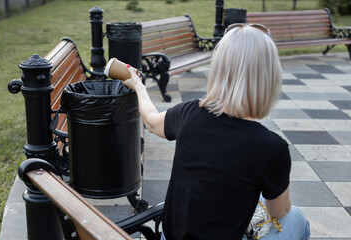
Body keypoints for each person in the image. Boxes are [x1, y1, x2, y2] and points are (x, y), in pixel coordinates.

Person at [121, 23, 310, 240]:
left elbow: (152, 123)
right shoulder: (271, 147)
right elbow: (279, 211)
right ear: (268, 78)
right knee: (296, 219)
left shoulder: (189, 112)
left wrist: (139, 86)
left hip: (172, 236)